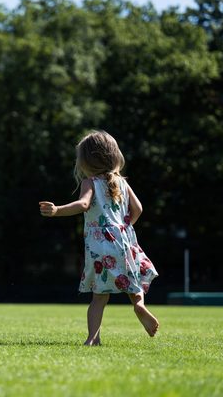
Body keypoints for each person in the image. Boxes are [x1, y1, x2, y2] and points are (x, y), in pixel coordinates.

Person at [39, 130, 159, 346]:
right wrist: (124, 226)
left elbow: (83, 205)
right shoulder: (122, 182)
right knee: (134, 283)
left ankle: (93, 338)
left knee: (99, 297)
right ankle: (139, 305)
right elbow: (138, 208)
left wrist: (57, 210)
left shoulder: (90, 182)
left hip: (101, 245)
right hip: (124, 239)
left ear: (86, 161)